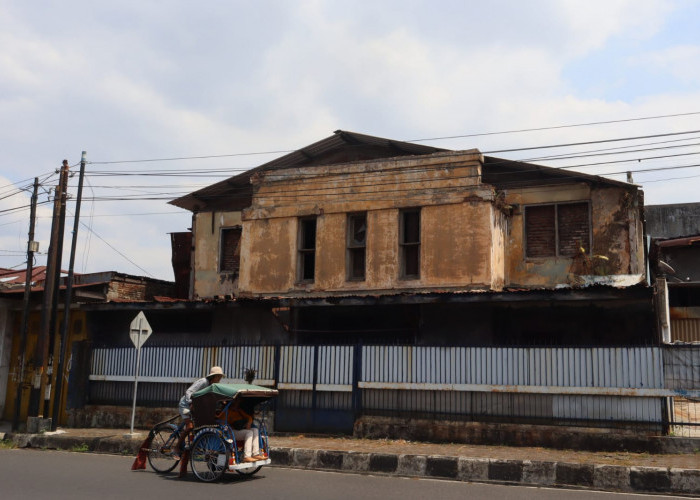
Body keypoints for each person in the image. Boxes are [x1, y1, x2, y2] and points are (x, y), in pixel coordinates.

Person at [173, 366, 225, 458]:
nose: (219, 380)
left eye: (220, 378)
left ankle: (195, 446)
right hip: (186, 404)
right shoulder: (203, 382)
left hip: (197, 407)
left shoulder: (212, 386)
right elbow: (189, 391)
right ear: (213, 376)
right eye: (218, 377)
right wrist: (190, 403)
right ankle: (176, 448)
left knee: (202, 424)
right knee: (189, 427)